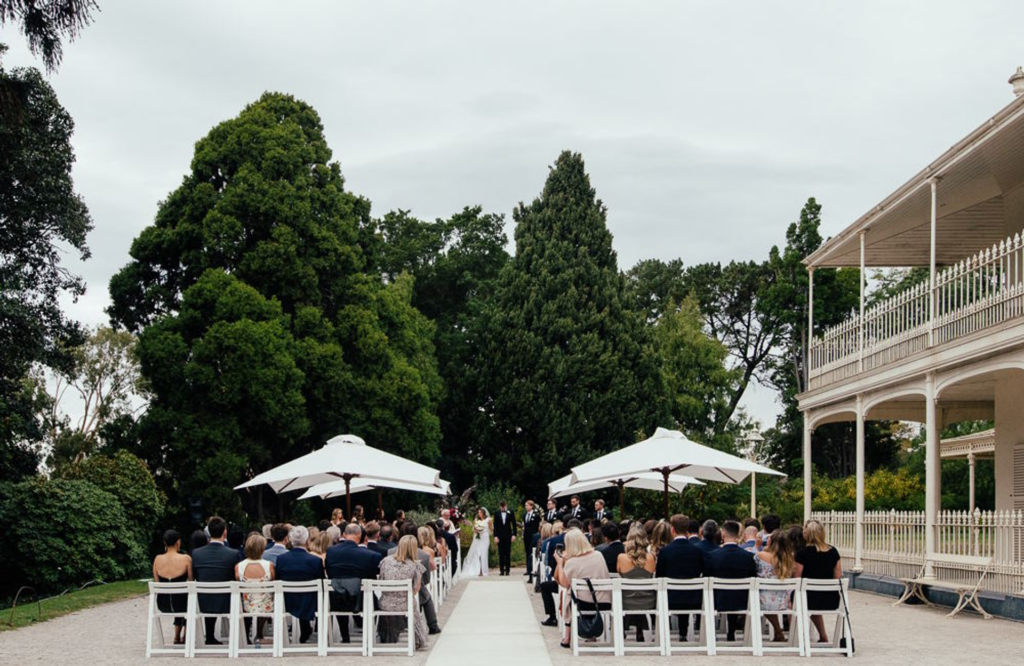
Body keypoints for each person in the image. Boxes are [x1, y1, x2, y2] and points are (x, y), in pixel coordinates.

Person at [325, 523, 382, 643]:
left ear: (344, 535)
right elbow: (372, 579)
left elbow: (330, 573)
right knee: (372, 597)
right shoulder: (371, 556)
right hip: (361, 599)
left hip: (337, 598)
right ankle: (369, 635)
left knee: (340, 590)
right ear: (360, 535)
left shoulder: (330, 552)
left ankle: (345, 636)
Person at [554, 528, 611, 649]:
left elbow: (563, 583)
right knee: (576, 591)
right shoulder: (598, 555)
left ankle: (567, 636)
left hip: (583, 604)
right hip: (604, 601)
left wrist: (560, 563)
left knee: (569, 592)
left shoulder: (572, 562)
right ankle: (589, 634)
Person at [191, 516, 243, 645]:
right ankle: (242, 636)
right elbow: (236, 577)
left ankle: (209, 635)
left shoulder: (197, 554)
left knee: (210, 592)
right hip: (227, 601)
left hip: (203, 601)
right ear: (225, 532)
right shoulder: (233, 554)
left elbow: (196, 575)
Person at [655, 514, 706, 642]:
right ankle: (683, 633)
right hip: (694, 598)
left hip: (669, 598)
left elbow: (659, 576)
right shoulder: (697, 551)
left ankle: (665, 632)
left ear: (672, 530)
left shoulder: (665, 552)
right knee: (685, 590)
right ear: (687, 529)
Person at [706, 520, 757, 642]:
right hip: (743, 600)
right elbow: (753, 577)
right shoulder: (748, 557)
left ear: (723, 535)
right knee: (734, 594)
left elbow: (707, 578)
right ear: (739, 535)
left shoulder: (712, 556)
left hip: (718, 599)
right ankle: (731, 632)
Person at [378, 535, 430, 649]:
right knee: (413, 604)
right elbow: (416, 588)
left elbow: (381, 580)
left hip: (385, 603)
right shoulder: (416, 565)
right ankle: (419, 639)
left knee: (399, 602)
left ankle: (386, 635)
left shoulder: (385, 561)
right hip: (405, 602)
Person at [274, 526, 324, 644]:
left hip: (288, 601)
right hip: (310, 602)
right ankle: (307, 628)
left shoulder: (281, 559)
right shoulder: (315, 561)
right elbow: (321, 581)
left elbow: (278, 579)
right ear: (307, 541)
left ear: (290, 541)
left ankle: (304, 629)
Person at [796, 520, 842, 644]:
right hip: (831, 599)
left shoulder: (802, 554)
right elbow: (838, 577)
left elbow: (797, 578)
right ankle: (823, 636)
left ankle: (796, 637)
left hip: (808, 598)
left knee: (794, 598)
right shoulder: (833, 552)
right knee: (813, 597)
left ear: (807, 534)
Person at [617, 524, 657, 642]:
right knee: (639, 594)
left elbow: (619, 573)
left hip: (626, 601)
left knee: (632, 594)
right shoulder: (651, 558)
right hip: (648, 601)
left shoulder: (621, 557)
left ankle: (626, 629)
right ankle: (639, 631)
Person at [756, 528, 797, 642]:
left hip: (763, 599)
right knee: (768, 598)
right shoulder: (789, 557)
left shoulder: (761, 555)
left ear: (771, 542)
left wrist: (756, 546)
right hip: (784, 600)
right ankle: (778, 632)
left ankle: (778, 631)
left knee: (761, 599)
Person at [153, 529, 193, 645]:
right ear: (178, 542)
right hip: (182, 603)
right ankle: (185, 635)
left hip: (163, 603)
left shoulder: (157, 559)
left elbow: (158, 583)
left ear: (164, 543)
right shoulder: (186, 559)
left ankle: (176, 636)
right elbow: (191, 582)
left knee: (177, 597)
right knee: (187, 598)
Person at [236, 533, 274, 646]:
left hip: (246, 605)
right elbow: (272, 582)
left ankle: (247, 634)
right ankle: (259, 633)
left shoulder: (239, 566)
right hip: (266, 606)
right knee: (266, 597)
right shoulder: (269, 565)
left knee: (249, 597)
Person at [417, 526, 442, 634]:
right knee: (426, 597)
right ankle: (433, 625)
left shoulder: (392, 553)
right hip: (416, 589)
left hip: (388, 599)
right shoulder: (425, 553)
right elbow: (432, 569)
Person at [460, 507, 492, 577]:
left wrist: (484, 531)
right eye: (478, 512)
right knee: (477, 554)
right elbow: (474, 530)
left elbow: (491, 530)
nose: (479, 514)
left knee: (484, 553)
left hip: (485, 539)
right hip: (478, 539)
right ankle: (478, 570)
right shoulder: (476, 520)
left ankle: (484, 570)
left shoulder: (488, 520)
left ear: (483, 513)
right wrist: (476, 531)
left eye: (480, 512)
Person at [492, 500, 517, 576]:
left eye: (504, 507)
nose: (503, 509)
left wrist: (514, 534)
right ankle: (502, 570)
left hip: (508, 535)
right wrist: (495, 536)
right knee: (501, 553)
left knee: (507, 553)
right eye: (501, 507)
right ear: (500, 506)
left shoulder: (510, 512)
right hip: (500, 536)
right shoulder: (496, 513)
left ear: (506, 506)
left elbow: (514, 524)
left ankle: (508, 570)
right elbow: (495, 526)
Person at [522, 500, 541, 583]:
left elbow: (537, 526)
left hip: (533, 536)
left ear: (531, 506)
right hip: (526, 536)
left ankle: (533, 568)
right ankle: (528, 569)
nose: (526, 507)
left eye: (527, 505)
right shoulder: (525, 515)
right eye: (525, 505)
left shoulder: (536, 515)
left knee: (532, 552)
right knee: (527, 552)